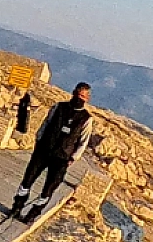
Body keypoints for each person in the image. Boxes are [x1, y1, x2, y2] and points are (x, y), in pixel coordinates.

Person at [10, 83, 94, 222]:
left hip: (62, 157)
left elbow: (83, 141)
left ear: (87, 98)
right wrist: (38, 140)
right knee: (27, 180)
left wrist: (73, 157)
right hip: (44, 150)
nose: (79, 98)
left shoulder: (87, 119)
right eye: (77, 94)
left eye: (82, 96)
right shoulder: (58, 107)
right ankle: (17, 207)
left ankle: (32, 214)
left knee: (48, 189)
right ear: (73, 92)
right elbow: (46, 123)